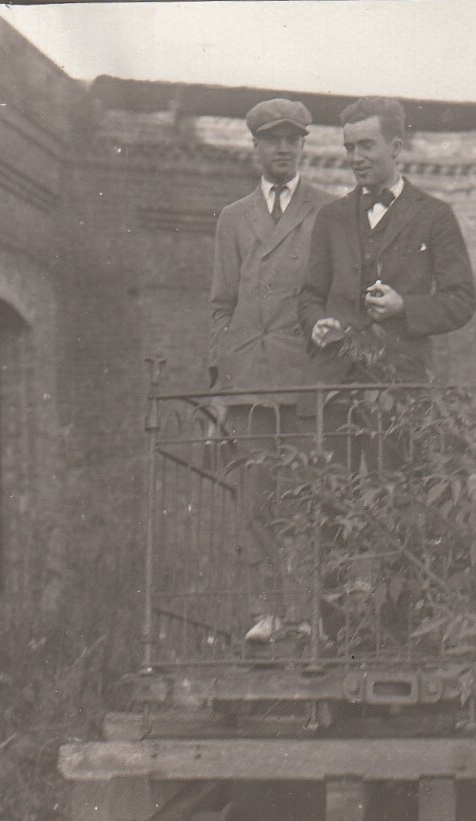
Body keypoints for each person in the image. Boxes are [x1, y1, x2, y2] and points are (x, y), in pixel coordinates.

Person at [208, 98, 334, 648]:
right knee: (255, 499)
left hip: (303, 376)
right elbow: (221, 304)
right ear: (255, 147)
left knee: (306, 497)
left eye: (292, 140)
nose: (282, 149)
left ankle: (307, 613)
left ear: (303, 147)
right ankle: (267, 611)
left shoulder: (328, 211)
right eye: (271, 140)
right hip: (250, 383)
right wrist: (223, 380)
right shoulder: (233, 218)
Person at [298, 96, 476, 388]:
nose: (356, 158)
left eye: (366, 146)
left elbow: (461, 301)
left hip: (403, 386)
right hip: (333, 384)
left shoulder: (434, 215)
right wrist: (318, 323)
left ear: (395, 147)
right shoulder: (331, 217)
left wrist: (404, 306)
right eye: (350, 148)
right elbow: (309, 296)